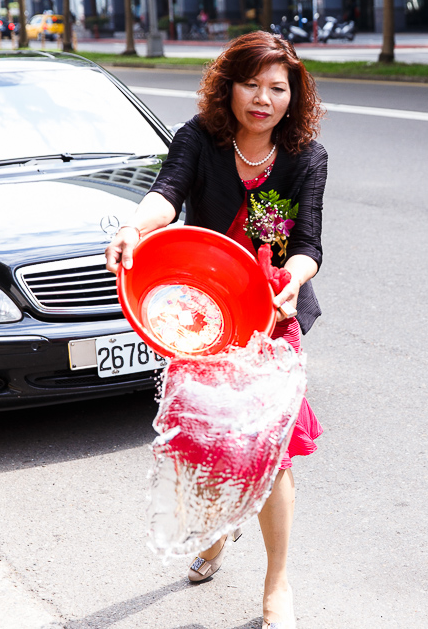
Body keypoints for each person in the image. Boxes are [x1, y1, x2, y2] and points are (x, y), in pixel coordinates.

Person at [104, 31, 326, 629]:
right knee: (210, 443)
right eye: (250, 84)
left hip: (272, 315)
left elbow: (308, 247)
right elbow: (168, 194)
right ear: (227, 87)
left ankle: (277, 582)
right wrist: (135, 228)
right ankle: (217, 533)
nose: (263, 98)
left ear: (293, 94)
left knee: (271, 450)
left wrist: (294, 280)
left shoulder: (307, 156)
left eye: (277, 88)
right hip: (201, 316)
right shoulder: (199, 139)